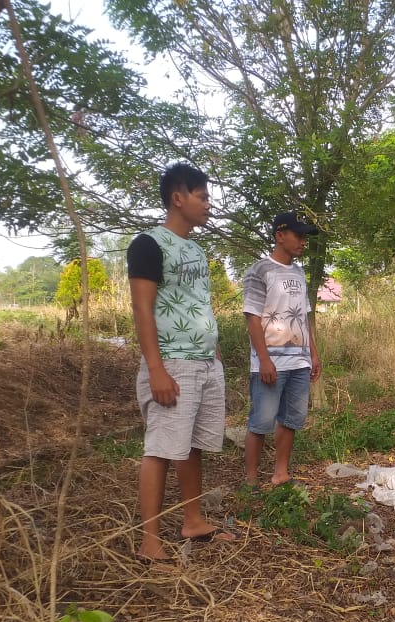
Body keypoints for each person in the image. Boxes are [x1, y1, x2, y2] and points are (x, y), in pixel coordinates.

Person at [127, 162, 235, 564]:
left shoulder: (196, 248)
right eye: (202, 197)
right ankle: (149, 539)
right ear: (178, 197)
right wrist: (156, 368)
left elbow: (198, 304)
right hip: (172, 363)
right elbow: (142, 309)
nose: (209, 205)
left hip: (205, 362)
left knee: (192, 447)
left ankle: (193, 520)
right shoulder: (148, 244)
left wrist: (215, 350)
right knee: (160, 447)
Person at [242, 211, 322, 487]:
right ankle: (251, 481)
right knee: (260, 422)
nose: (303, 241)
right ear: (279, 236)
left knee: (290, 420)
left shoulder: (299, 272)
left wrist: (313, 353)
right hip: (271, 362)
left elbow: (304, 316)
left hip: (299, 362)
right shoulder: (259, 270)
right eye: (298, 235)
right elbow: (253, 317)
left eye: (304, 236)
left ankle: (281, 473)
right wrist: (263, 360)